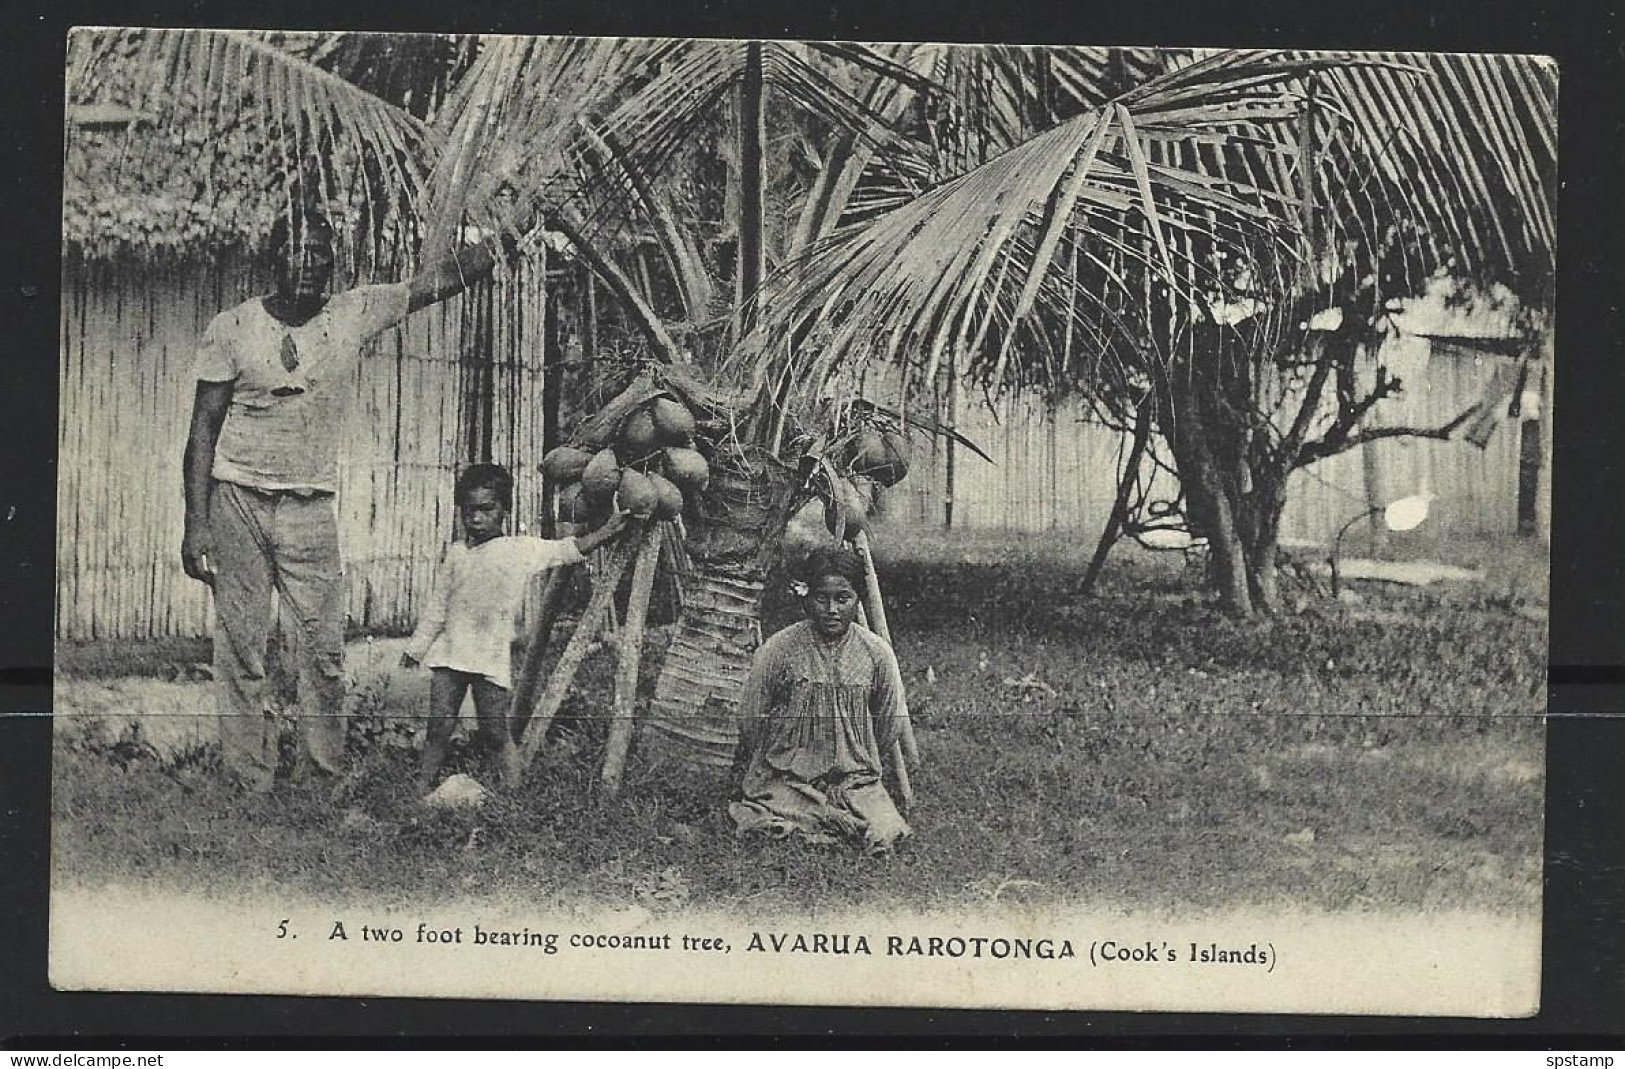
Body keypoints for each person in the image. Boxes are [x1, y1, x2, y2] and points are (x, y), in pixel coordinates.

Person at [182, 208, 511, 792]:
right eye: (297, 252)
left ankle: (323, 772)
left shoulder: (352, 312)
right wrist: (196, 523)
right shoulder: (232, 328)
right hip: (237, 500)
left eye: (320, 254)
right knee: (241, 649)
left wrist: (501, 230)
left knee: (324, 651)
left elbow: (435, 283)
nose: (309, 266)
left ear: (333, 263)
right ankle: (247, 779)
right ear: (274, 258)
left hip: (310, 507)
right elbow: (204, 429)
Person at [402, 464, 632, 792]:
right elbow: (438, 607)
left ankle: (513, 791)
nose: (476, 519)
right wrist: (416, 649)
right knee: (439, 725)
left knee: (494, 731)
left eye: (486, 509)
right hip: (450, 652)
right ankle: (422, 787)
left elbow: (566, 550)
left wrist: (608, 531)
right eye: (469, 511)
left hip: (489, 655)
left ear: (504, 511)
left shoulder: (518, 550)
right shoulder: (456, 555)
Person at [728, 545, 912, 855]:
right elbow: (751, 716)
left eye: (843, 599)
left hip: (856, 782)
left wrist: (856, 755)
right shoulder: (780, 649)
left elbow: (889, 720)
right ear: (806, 598)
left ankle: (840, 823)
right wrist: (784, 756)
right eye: (821, 598)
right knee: (770, 818)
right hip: (787, 777)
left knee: (885, 829)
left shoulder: (876, 653)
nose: (832, 610)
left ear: (858, 600)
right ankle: (810, 822)